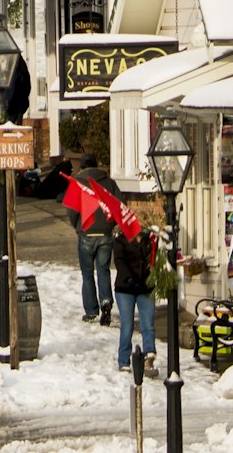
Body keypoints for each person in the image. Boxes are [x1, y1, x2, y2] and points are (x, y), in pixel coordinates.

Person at [66, 152, 118, 324]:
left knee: (87, 273)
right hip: (105, 234)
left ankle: (91, 311)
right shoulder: (109, 183)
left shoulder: (77, 184)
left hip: (86, 233)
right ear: (97, 166)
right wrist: (110, 225)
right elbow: (119, 205)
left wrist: (77, 226)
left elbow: (71, 211)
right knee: (103, 270)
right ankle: (106, 300)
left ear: (82, 168)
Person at [113, 216, 158, 370]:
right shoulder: (120, 241)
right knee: (127, 324)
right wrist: (130, 278)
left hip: (145, 287)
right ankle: (124, 360)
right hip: (126, 288)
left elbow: (155, 259)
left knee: (148, 324)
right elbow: (120, 262)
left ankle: (148, 356)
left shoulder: (150, 241)